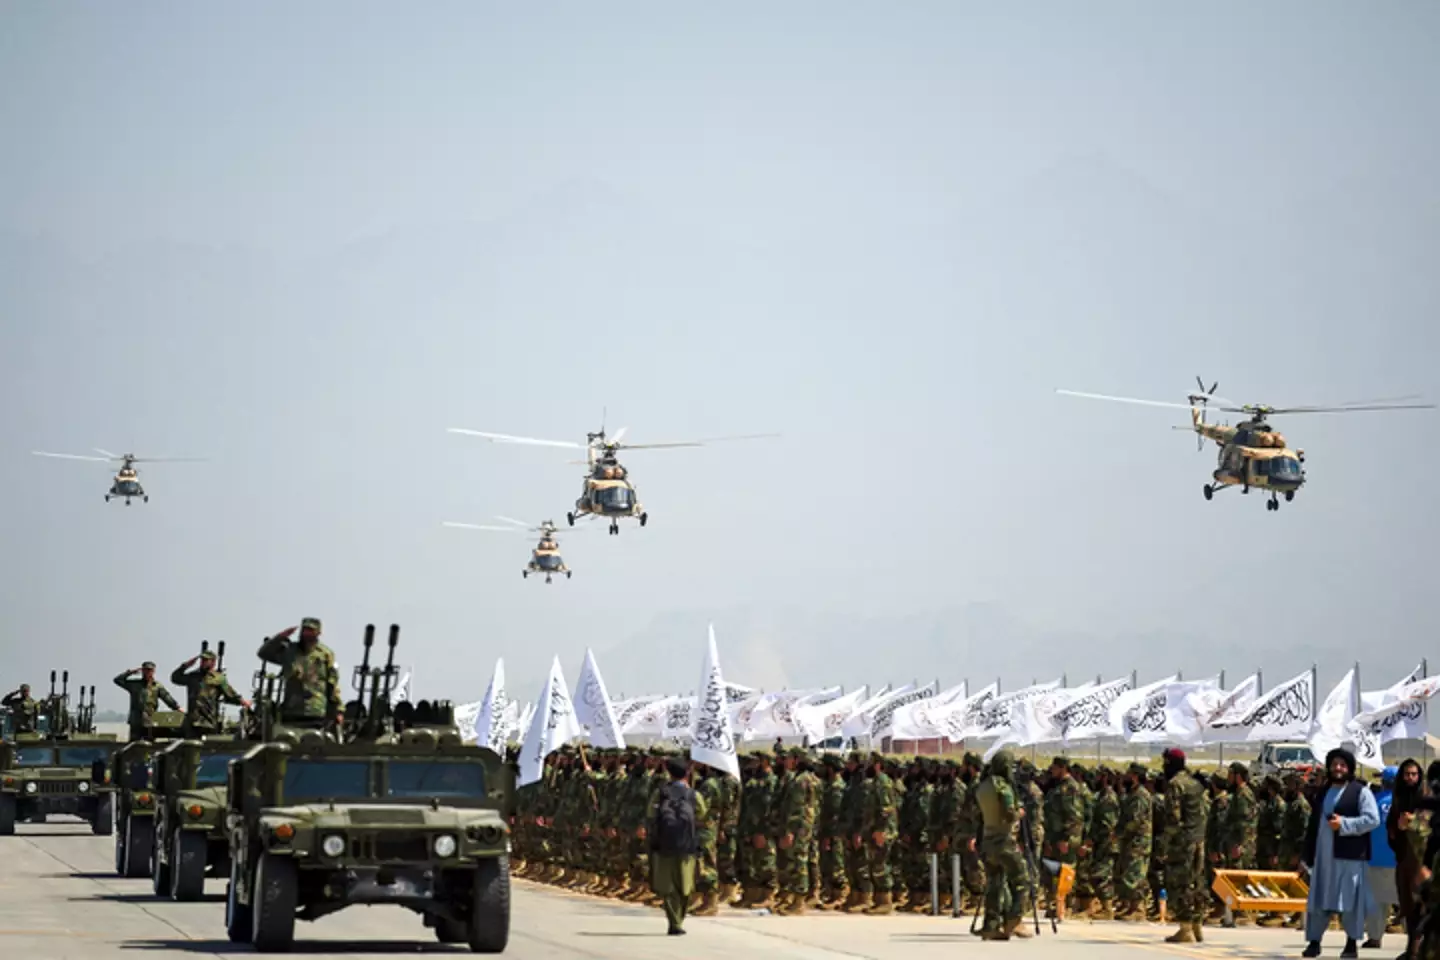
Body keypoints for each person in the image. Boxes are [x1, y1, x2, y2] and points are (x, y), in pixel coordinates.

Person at [1301, 747, 1381, 959]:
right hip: (1323, 859)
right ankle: (1314, 942)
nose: (1338, 768)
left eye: (1342, 765)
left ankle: (1351, 943)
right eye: (1334, 764)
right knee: (1318, 902)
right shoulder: (1323, 791)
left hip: (1349, 860)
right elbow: (1313, 825)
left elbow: (1373, 819)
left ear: (1349, 768)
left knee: (1350, 903)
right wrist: (1307, 854)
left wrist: (1345, 824)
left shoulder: (1360, 792)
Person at [256, 617, 344, 730]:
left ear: (318, 633)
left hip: (317, 712)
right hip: (291, 711)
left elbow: (333, 684)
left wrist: (338, 710)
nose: (307, 634)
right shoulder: (290, 651)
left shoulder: (325, 654)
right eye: (305, 630)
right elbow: (264, 653)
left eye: (311, 631)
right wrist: (281, 637)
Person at [650, 756, 704, 935]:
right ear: (687, 774)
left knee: (669, 887)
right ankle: (679, 918)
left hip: (665, 845)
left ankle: (674, 922)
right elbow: (702, 813)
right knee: (686, 885)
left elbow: (650, 812)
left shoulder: (661, 792)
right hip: (687, 845)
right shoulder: (693, 795)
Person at [1160, 747, 1209, 944]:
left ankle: (1185, 929)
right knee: (1196, 883)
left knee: (1180, 884)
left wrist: (1164, 845)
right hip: (1198, 839)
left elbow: (1173, 818)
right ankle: (1197, 926)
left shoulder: (1175, 785)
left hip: (1183, 842)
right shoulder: (1196, 784)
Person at [170, 650, 250, 736]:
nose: (203, 662)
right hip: (193, 722)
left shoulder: (218, 678)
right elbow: (175, 678)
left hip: (208, 721)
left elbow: (230, 694)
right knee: (191, 747)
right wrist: (185, 666)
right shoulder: (193, 676)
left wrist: (242, 701)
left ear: (213, 662)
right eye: (202, 660)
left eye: (206, 660)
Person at [1365, 767, 1398, 949]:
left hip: (1375, 859)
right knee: (1407, 903)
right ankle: (1415, 941)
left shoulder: (1374, 802)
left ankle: (1375, 937)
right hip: (1400, 861)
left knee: (1376, 902)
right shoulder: (1406, 804)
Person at [113, 662, 182, 740]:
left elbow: (167, 697)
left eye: (150, 670)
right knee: (134, 745)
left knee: (149, 743)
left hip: (150, 720)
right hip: (136, 721)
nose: (148, 672)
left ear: (153, 671)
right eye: (145, 670)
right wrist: (130, 672)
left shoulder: (157, 686)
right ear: (142, 671)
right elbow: (117, 680)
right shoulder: (135, 684)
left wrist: (178, 708)